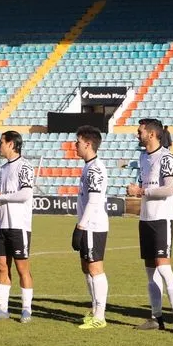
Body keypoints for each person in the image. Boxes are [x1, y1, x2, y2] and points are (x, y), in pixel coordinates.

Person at [126, 118, 173, 334]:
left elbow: (169, 189)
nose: (137, 134)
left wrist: (140, 191)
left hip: (162, 219)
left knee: (164, 267)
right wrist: (136, 189)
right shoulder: (143, 157)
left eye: (139, 131)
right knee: (150, 271)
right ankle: (156, 317)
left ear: (151, 134)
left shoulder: (167, 157)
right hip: (146, 219)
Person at [0, 130, 36, 323]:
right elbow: (0, 193)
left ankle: (26, 309)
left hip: (18, 226)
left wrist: (1, 197)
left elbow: (25, 195)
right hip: (1, 225)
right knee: (2, 267)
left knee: (22, 268)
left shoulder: (25, 167)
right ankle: (2, 309)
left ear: (11, 144)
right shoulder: (3, 169)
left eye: (1, 142)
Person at [72, 125, 109, 330]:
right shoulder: (88, 166)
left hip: (94, 225)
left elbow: (94, 201)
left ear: (87, 144)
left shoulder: (95, 168)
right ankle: (95, 309)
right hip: (88, 225)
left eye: (77, 142)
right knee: (86, 266)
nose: (74, 146)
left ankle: (100, 315)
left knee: (95, 267)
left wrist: (81, 226)